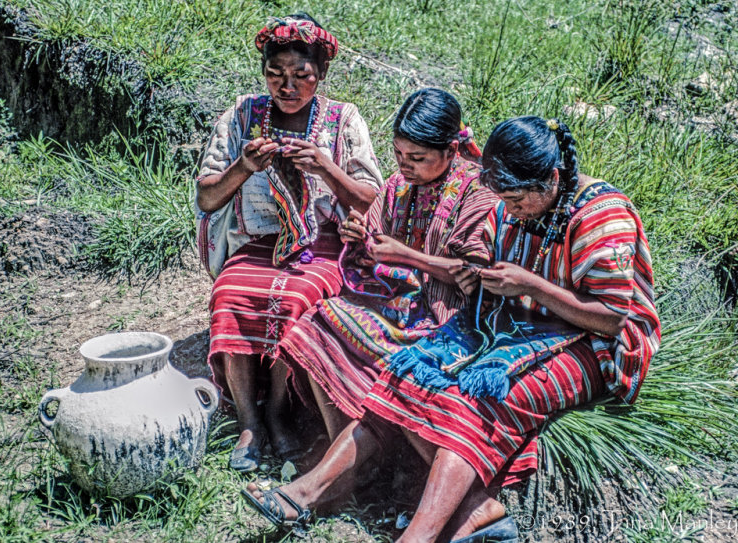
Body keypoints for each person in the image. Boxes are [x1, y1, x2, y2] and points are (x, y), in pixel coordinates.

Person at [242, 116, 661, 543]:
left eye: (516, 200)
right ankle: (334, 491)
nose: (510, 210)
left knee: (475, 398)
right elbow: (483, 254)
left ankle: (419, 536)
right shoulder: (511, 205)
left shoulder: (602, 216)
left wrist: (528, 284)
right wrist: (475, 272)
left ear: (551, 179)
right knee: (406, 374)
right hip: (516, 320)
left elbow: (612, 316)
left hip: (596, 343)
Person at [194, 13, 383, 472]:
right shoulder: (243, 116)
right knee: (231, 294)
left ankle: (278, 410)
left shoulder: (342, 120)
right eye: (275, 74)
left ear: (321, 75)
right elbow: (207, 195)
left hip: (321, 244)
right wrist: (242, 167)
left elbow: (371, 195)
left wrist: (324, 168)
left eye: (302, 76)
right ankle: (249, 420)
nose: (288, 86)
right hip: (257, 242)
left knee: (296, 296)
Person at [277, 87, 498, 442]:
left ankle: (369, 447)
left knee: (396, 360)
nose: (403, 164)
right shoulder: (398, 185)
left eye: (417, 157)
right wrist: (359, 237)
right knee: (315, 324)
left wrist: (406, 257)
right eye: (397, 153)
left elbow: (476, 276)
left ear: (452, 151)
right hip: (398, 304)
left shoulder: (479, 194)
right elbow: (372, 245)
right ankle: (342, 439)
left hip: (449, 321)